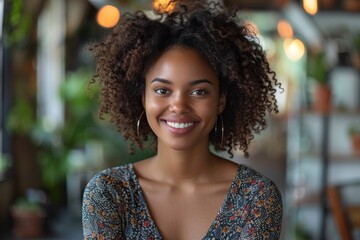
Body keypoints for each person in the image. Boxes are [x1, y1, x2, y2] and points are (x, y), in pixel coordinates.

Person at [82, 1, 283, 239]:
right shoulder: (109, 193)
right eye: (162, 90)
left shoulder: (256, 198)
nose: (178, 106)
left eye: (199, 91)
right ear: (143, 97)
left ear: (221, 100)